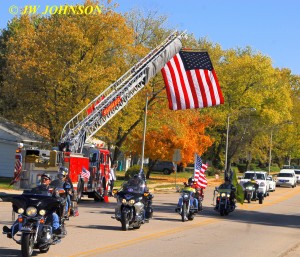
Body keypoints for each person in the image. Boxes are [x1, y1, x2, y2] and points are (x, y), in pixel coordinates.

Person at [3, 173, 62, 238]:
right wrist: (18, 197)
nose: (44, 180)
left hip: (45, 210)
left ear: (49, 181)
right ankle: (11, 231)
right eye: (42, 178)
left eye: (46, 179)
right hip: (35, 209)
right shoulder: (35, 189)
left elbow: (57, 198)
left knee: (54, 216)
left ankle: (55, 231)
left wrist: (59, 198)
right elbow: (26, 195)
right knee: (22, 216)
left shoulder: (52, 190)